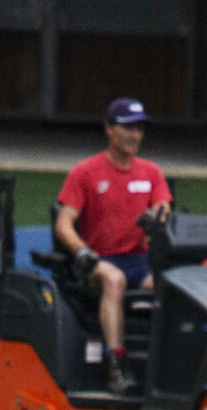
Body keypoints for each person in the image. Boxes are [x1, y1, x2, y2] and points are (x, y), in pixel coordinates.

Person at [54, 96, 174, 394]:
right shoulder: (85, 172)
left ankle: (170, 360)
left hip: (140, 261)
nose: (135, 136)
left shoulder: (151, 172)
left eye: (139, 129)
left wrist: (157, 219)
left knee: (172, 284)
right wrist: (81, 251)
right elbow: (63, 223)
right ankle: (116, 363)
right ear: (109, 130)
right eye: (127, 128)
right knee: (114, 279)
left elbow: (164, 209)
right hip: (100, 260)